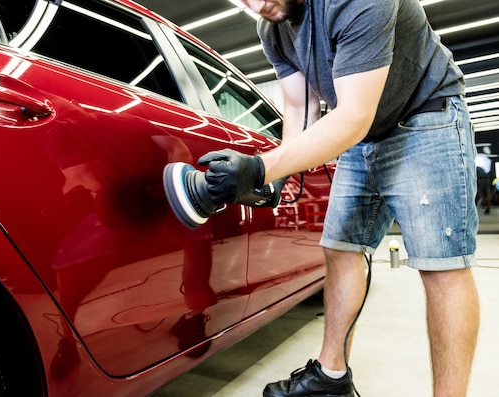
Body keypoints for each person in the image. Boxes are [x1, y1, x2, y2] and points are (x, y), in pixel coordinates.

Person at [196, 0, 480, 396]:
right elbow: (300, 108)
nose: (257, 4)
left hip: (425, 116)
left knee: (441, 265)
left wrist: (260, 167)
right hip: (364, 133)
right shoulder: (272, 27)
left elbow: (352, 116)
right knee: (340, 247)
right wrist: (274, 178)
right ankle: (331, 378)